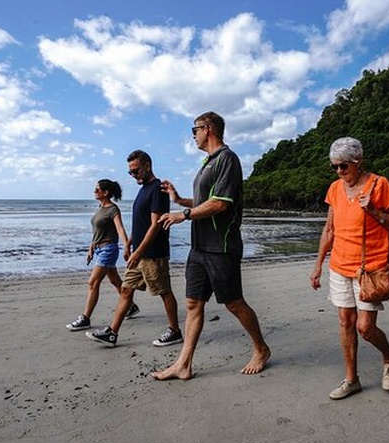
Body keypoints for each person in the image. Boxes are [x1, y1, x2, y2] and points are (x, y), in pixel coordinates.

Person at [151, 111, 271, 380]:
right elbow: (206, 201)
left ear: (208, 128)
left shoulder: (227, 159)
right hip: (199, 247)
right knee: (193, 303)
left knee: (234, 303)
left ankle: (261, 349)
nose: (193, 135)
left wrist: (182, 215)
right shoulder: (208, 162)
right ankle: (183, 363)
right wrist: (181, 200)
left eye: (194, 130)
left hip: (221, 246)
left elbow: (221, 203)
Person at [309, 137, 389, 400]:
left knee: (365, 327)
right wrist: (318, 265)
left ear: (358, 161)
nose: (340, 172)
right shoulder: (335, 189)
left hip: (370, 267)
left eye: (344, 166)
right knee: (345, 322)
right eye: (335, 167)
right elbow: (329, 229)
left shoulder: (379, 184)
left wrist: (375, 211)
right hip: (339, 265)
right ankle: (351, 379)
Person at [85, 150, 183, 347]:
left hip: (153, 253)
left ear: (147, 165)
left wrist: (138, 251)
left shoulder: (158, 188)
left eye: (136, 170)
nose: (133, 175)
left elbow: (155, 224)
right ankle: (112, 333)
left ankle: (175, 331)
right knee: (126, 291)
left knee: (164, 291)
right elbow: (142, 223)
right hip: (139, 252)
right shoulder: (143, 189)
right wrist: (130, 243)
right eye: (130, 172)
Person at [66, 179, 138, 331]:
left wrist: (126, 247)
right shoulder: (100, 208)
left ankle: (85, 319)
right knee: (114, 280)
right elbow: (98, 231)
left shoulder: (113, 209)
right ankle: (130, 307)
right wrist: (91, 247)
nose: (94, 191)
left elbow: (120, 229)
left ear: (105, 193)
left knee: (93, 282)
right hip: (99, 249)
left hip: (108, 250)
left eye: (97, 189)